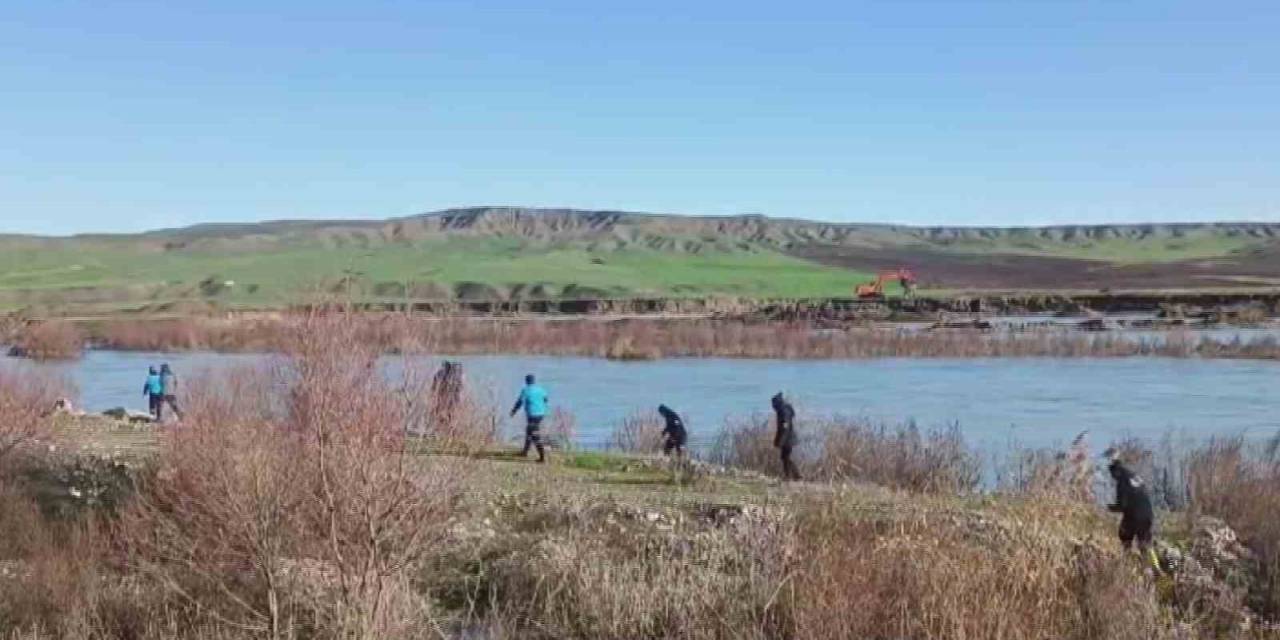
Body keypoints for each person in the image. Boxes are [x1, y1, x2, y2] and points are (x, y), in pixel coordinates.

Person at [1108, 460, 1154, 555]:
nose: (1113, 478)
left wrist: (1110, 508)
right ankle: (1151, 566)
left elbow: (1122, 505)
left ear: (1116, 471)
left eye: (1113, 475)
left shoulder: (1122, 480)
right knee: (1145, 543)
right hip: (1148, 514)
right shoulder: (1134, 477)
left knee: (1124, 536)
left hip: (1135, 515)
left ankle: (1127, 560)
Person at [510, 374, 548, 462]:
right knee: (529, 432)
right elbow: (545, 399)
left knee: (535, 435)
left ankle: (542, 458)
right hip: (541, 414)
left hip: (532, 415)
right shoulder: (540, 389)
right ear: (534, 381)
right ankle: (525, 452)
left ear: (526, 381)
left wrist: (513, 412)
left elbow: (519, 402)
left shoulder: (526, 390)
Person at [771, 392, 801, 480]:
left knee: (785, 458)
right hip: (787, 438)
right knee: (785, 457)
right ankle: (794, 476)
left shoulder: (784, 411)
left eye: (774, 404)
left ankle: (793, 476)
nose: (773, 406)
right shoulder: (784, 410)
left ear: (778, 403)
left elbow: (785, 428)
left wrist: (781, 441)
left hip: (788, 439)